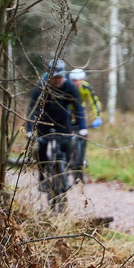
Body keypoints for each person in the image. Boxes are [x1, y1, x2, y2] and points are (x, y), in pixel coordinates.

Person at [26, 59, 87, 189]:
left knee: (67, 146)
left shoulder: (69, 87)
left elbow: (78, 108)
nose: (57, 80)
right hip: (44, 122)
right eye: (54, 78)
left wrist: (83, 128)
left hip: (63, 122)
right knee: (41, 149)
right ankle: (42, 177)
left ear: (63, 76)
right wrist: (29, 129)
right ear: (49, 76)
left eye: (59, 77)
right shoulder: (41, 87)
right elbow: (33, 109)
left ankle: (64, 172)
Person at [67, 68, 103, 181]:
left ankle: (82, 158)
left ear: (83, 80)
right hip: (67, 110)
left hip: (79, 111)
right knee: (65, 134)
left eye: (79, 80)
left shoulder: (86, 87)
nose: (77, 83)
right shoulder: (66, 86)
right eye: (74, 80)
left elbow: (94, 101)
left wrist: (97, 116)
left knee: (83, 134)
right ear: (71, 80)